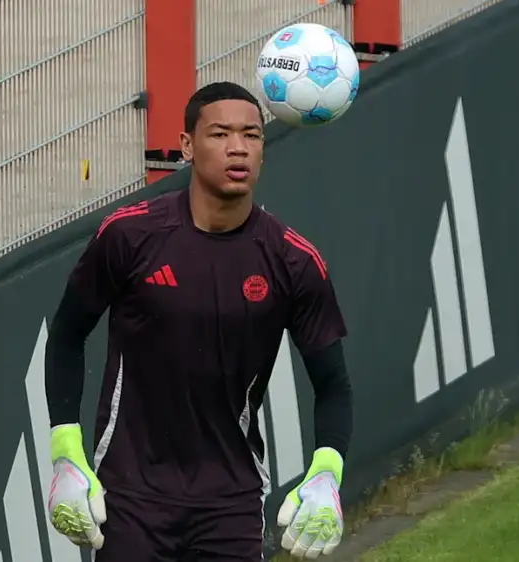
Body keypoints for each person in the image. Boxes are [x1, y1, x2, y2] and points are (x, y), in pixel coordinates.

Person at [44, 81, 353, 561]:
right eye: (220, 134)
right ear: (187, 146)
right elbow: (66, 335)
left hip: (231, 502)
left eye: (251, 135)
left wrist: (326, 473)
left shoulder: (293, 261)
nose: (238, 147)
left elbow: (333, 384)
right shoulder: (129, 236)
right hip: (130, 496)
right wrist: (66, 451)